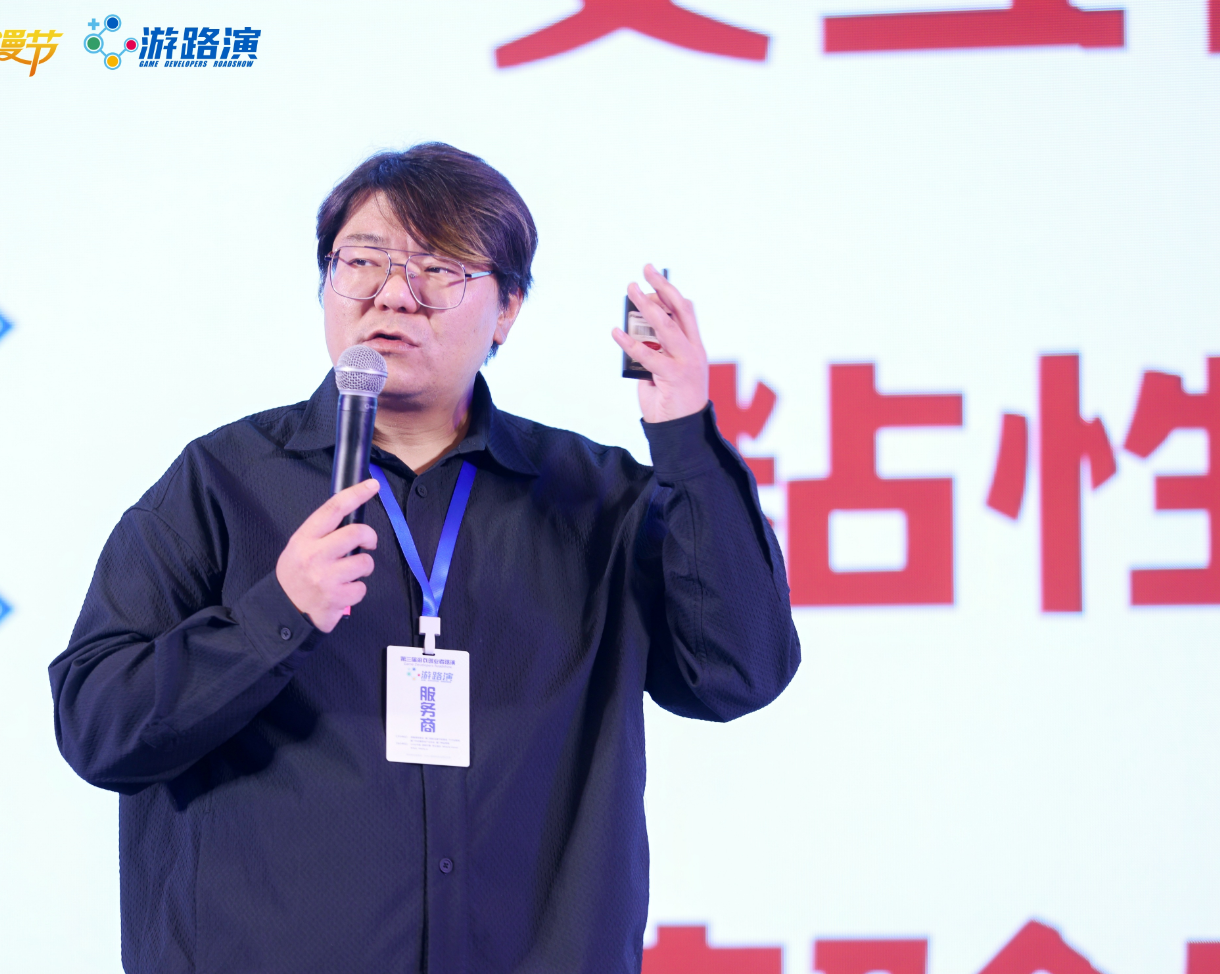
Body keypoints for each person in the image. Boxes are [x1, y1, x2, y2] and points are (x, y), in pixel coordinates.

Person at [50, 142, 800, 974]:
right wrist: (272, 617)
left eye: (438, 269)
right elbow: (98, 728)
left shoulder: (595, 500)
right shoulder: (221, 483)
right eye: (361, 262)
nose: (392, 294)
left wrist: (684, 439)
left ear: (507, 308)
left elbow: (738, 673)